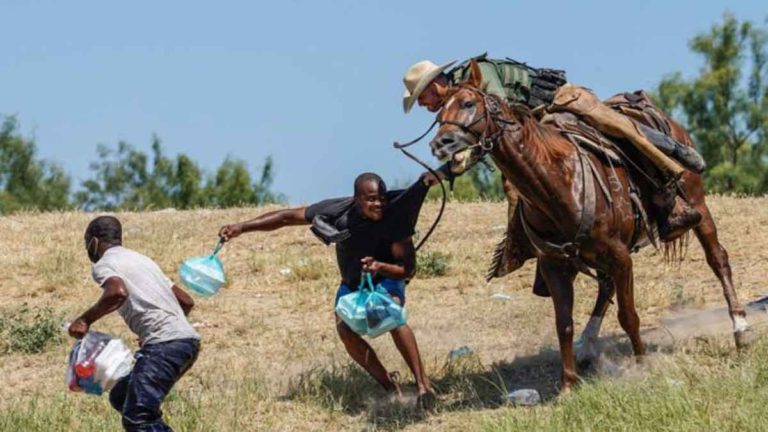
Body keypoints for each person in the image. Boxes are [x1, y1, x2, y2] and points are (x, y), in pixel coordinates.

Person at [402, 54, 704, 279]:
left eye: (421, 97)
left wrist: (449, 168)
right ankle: (545, 244)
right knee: (518, 181)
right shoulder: (457, 103)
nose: (422, 105)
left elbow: (499, 121)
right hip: (532, 127)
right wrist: (446, 169)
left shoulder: (475, 77)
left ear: (435, 84)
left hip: (559, 104)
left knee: (618, 130)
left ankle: (670, 177)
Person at [218, 172, 440, 409]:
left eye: (382, 199)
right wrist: (242, 227)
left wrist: (379, 266)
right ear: (357, 199)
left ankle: (423, 386)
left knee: (390, 314)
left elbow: (407, 270)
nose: (379, 204)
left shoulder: (395, 217)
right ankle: (389, 387)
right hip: (352, 284)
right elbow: (286, 217)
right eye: (372, 199)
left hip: (386, 278)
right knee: (345, 330)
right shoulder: (337, 211)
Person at [68, 216, 200, 432]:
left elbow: (117, 292)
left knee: (138, 418)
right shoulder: (142, 260)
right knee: (122, 396)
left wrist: (84, 319)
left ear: (93, 241)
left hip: (165, 345)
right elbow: (186, 301)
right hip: (187, 342)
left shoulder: (105, 264)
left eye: (86, 243)